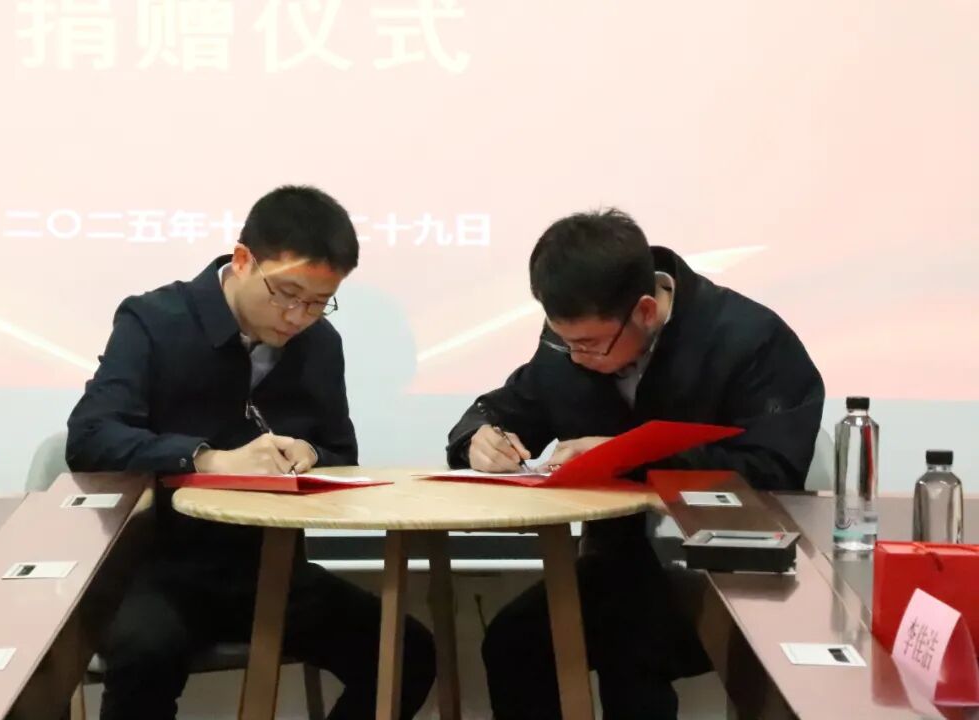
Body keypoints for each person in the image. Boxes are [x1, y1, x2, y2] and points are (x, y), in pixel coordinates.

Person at [67, 185, 435, 720]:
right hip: (155, 568)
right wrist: (207, 459)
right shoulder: (154, 321)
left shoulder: (320, 344)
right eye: (286, 293)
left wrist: (311, 454)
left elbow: (342, 454)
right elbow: (90, 438)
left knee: (406, 654)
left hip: (269, 570)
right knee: (146, 653)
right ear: (243, 260)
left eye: (318, 302)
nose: (298, 316)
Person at [446, 209, 824, 719]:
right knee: (514, 643)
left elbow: (773, 469)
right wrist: (478, 439)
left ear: (646, 311)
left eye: (590, 345)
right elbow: (507, 409)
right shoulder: (570, 344)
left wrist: (629, 454)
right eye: (564, 340)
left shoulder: (749, 339)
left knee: (630, 646)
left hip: (730, 574)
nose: (575, 357)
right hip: (619, 567)